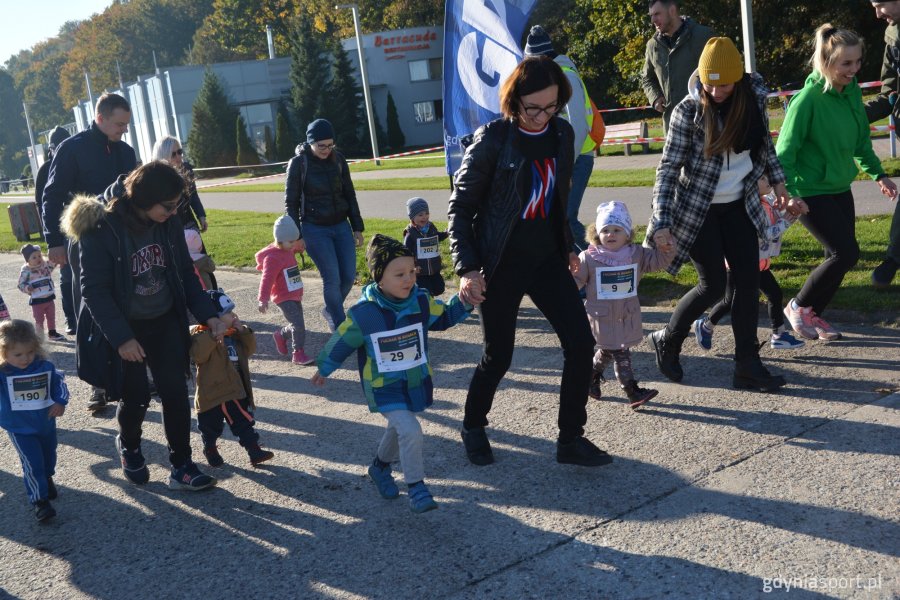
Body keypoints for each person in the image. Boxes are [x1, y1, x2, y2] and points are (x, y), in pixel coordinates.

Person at [448, 55, 611, 467]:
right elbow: (460, 209)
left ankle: (570, 438)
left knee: (580, 343)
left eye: (551, 106)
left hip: (547, 259)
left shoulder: (562, 133)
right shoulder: (492, 141)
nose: (542, 115)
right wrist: (467, 268)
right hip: (501, 262)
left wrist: (568, 248)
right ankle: (473, 426)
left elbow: (557, 201)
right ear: (514, 100)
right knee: (498, 355)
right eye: (533, 107)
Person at [61, 161, 226, 491]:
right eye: (168, 206)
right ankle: (130, 445)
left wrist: (210, 313)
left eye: (178, 205)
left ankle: (182, 466)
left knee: (175, 393)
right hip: (127, 326)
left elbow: (184, 273)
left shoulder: (167, 223)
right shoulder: (101, 228)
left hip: (164, 319)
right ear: (145, 198)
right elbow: (93, 290)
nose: (173, 211)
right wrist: (121, 338)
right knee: (135, 396)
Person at [645, 37, 789, 393]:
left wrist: (781, 185)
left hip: (741, 204)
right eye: (709, 82)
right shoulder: (688, 112)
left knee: (748, 283)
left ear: (737, 78)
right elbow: (667, 170)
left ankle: (747, 365)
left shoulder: (752, 98)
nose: (715, 90)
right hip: (698, 209)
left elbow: (765, 147)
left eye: (723, 83)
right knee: (713, 286)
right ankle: (669, 338)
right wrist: (661, 220)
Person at [312, 235, 472, 513]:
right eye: (399, 274)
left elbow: (444, 316)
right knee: (410, 429)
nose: (408, 279)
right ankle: (417, 488)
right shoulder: (365, 315)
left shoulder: (420, 302)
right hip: (383, 386)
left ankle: (379, 468)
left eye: (412, 271)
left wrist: (465, 300)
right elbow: (342, 341)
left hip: (413, 382)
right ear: (379, 279)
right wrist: (324, 367)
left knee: (399, 429)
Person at [776, 24, 898, 341]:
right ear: (827, 61)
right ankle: (798, 306)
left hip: (839, 187)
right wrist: (784, 194)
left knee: (846, 255)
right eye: (846, 64)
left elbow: (860, 142)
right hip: (808, 190)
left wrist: (879, 174)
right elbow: (784, 153)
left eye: (857, 62)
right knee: (843, 252)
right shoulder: (807, 101)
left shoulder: (852, 93)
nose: (854, 69)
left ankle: (813, 315)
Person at [41, 92, 137, 410]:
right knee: (91, 310)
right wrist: (53, 240)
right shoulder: (73, 149)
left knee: (129, 303)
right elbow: (51, 196)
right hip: (84, 242)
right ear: (101, 118)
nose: (125, 129)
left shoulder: (125, 151)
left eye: (126, 123)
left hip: (124, 241)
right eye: (120, 123)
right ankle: (98, 384)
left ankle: (135, 374)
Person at [574, 201, 674, 409]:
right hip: (601, 316)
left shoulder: (636, 254)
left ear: (627, 234)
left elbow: (657, 262)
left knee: (608, 350)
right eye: (605, 230)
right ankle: (631, 390)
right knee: (621, 352)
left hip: (626, 314)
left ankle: (590, 379)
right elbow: (576, 280)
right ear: (596, 234)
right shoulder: (589, 257)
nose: (610, 234)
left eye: (617, 230)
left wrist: (665, 249)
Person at [693, 177, 809, 351]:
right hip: (741, 262)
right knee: (736, 299)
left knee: (763, 295)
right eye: (761, 178)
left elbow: (779, 214)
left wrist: (793, 208)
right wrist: (785, 222)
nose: (767, 180)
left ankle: (778, 334)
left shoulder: (768, 200)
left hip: (758, 262)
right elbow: (765, 234)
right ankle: (707, 326)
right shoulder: (750, 209)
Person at [284, 118, 365, 332]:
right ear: (311, 143)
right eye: (322, 146)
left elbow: (349, 193)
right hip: (314, 229)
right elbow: (290, 203)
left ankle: (331, 309)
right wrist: (297, 235)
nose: (326, 150)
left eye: (330, 145)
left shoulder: (338, 159)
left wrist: (357, 226)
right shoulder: (299, 164)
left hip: (341, 226)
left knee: (348, 276)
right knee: (332, 277)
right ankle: (340, 325)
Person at [524, 25, 600, 252]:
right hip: (568, 159)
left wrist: (565, 165)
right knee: (560, 216)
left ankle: (598, 261)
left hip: (578, 159)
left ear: (542, 58)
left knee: (565, 217)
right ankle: (589, 263)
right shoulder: (555, 77)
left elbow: (577, 126)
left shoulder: (566, 77)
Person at [191, 289, 274, 468]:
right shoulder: (200, 335)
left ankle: (254, 451)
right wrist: (213, 336)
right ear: (214, 318)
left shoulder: (234, 336)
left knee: (243, 421)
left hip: (234, 390)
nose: (233, 315)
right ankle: (210, 448)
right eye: (228, 313)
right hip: (212, 393)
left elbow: (249, 350)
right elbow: (198, 356)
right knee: (210, 427)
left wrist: (244, 332)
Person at [0, 319, 68, 521]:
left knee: (48, 456)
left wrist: (60, 401)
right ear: (4, 353)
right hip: (19, 428)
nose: (25, 359)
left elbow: (59, 383)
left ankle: (47, 478)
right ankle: (40, 501)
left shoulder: (44, 366)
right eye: (18, 355)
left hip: (45, 423)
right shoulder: (3, 373)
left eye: (30, 352)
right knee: (32, 463)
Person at [865, 1, 900, 288]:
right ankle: (894, 259)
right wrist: (854, 115)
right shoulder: (893, 34)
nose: (877, 14)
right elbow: (890, 92)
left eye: (881, 5)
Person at [641, 0, 715, 134]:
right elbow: (647, 78)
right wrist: (655, 97)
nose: (653, 20)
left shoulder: (704, 36)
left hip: (705, 124)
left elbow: (720, 73)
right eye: (651, 15)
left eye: (657, 14)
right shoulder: (652, 46)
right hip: (672, 127)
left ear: (672, 11)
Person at [256, 215, 313, 365]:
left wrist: (298, 247)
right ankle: (298, 353)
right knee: (298, 324)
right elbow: (266, 279)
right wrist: (263, 299)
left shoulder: (287, 249)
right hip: (283, 296)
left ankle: (281, 335)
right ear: (279, 240)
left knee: (297, 324)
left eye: (295, 241)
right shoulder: (273, 258)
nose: (293, 244)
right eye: (291, 242)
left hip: (294, 294)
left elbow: (292, 250)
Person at [152, 136, 208, 232]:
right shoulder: (156, 177)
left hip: (190, 223)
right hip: (170, 228)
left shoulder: (186, 169)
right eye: (173, 154)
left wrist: (201, 216)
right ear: (163, 155)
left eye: (180, 152)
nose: (178, 156)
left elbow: (193, 195)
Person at [17, 244, 65, 341]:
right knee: (39, 320)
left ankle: (52, 332)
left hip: (49, 297)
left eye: (39, 256)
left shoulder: (45, 266)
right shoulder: (26, 271)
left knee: (51, 316)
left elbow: (53, 263)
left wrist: (59, 259)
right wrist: (27, 288)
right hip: (37, 300)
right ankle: (40, 336)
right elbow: (20, 284)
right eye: (34, 257)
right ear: (28, 260)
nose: (38, 258)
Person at [403, 197, 448, 297]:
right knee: (425, 292)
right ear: (412, 218)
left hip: (434, 267)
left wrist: (445, 234)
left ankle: (427, 299)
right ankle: (425, 306)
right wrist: (413, 266)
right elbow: (406, 252)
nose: (424, 217)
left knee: (439, 288)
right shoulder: (411, 234)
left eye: (427, 213)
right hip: (420, 271)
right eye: (420, 215)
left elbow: (436, 237)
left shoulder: (431, 227)